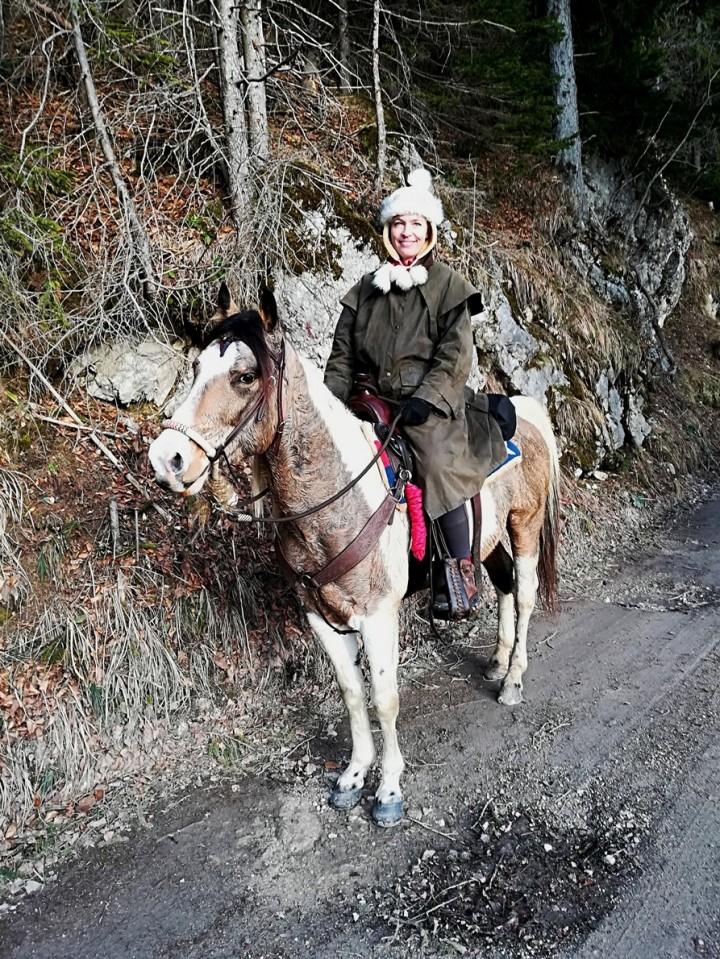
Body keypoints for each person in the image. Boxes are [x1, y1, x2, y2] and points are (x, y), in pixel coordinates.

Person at [324, 168, 507, 619]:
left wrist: (427, 397)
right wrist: (330, 404)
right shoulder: (365, 289)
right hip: (369, 401)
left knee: (439, 465)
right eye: (399, 224)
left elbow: (455, 356)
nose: (407, 232)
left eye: (416, 224)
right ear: (388, 230)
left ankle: (458, 577)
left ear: (429, 231)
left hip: (427, 405)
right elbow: (342, 356)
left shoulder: (449, 286)